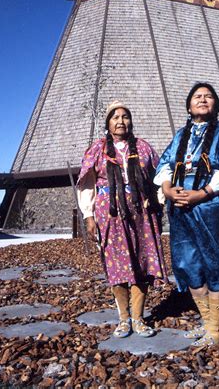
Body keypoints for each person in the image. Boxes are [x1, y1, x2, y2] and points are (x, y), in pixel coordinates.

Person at [154, 82, 219, 346]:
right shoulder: (180, 136)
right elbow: (165, 163)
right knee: (188, 263)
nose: (203, 100)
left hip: (213, 209)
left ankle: (217, 328)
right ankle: (207, 320)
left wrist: (203, 193)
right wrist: (167, 189)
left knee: (215, 262)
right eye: (197, 96)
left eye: (208, 96)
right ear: (189, 105)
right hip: (179, 210)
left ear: (216, 104)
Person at [77, 101, 167, 338]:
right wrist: (89, 215)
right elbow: (87, 184)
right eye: (115, 117)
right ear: (108, 123)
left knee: (142, 263)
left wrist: (157, 201)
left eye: (125, 116)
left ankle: (138, 318)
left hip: (141, 214)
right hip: (110, 213)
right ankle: (123, 319)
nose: (120, 121)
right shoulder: (98, 149)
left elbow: (160, 177)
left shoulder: (144, 148)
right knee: (117, 265)